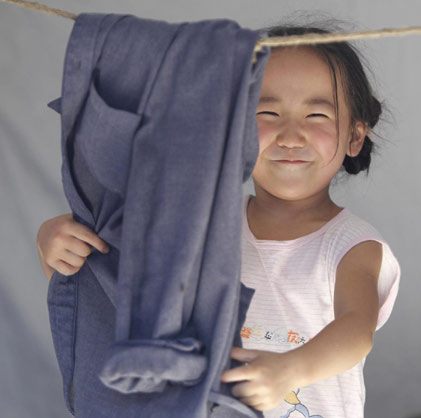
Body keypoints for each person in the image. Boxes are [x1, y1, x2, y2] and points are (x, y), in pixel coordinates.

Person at [37, 23, 400, 418]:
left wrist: (288, 371)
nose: (291, 135)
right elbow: (116, 295)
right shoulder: (204, 225)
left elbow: (357, 331)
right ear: (235, 130)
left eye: (316, 114)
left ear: (355, 137)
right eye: (267, 112)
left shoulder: (353, 245)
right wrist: (53, 244)